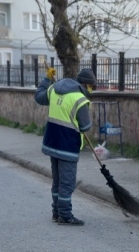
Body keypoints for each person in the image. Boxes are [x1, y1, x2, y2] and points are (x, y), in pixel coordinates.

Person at [34, 67, 97, 226]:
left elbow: (38, 97)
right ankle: (65, 215)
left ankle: (56, 212)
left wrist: (47, 80)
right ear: (86, 84)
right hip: (67, 145)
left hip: (51, 143)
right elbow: (85, 126)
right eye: (92, 86)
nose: (92, 90)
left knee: (57, 181)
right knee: (67, 183)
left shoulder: (54, 88)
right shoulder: (80, 99)